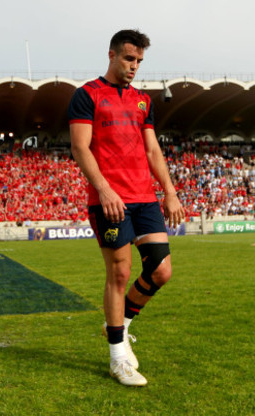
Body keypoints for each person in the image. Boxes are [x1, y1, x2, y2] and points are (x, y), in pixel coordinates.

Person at [68, 29, 186, 387]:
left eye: (139, 61)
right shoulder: (87, 95)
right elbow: (80, 148)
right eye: (128, 58)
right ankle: (118, 357)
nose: (134, 66)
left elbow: (152, 151)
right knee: (119, 272)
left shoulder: (143, 101)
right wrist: (103, 189)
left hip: (144, 197)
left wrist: (169, 191)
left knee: (162, 271)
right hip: (110, 199)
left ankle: (119, 323)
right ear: (112, 55)